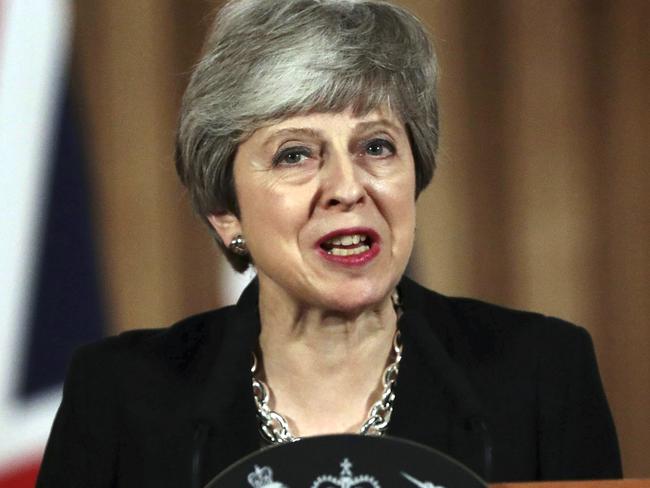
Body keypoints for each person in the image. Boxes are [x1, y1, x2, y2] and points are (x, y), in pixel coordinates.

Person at [36, 0, 622, 486]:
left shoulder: (543, 375)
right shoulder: (119, 398)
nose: (347, 187)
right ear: (224, 213)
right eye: (296, 154)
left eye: (376, 146)